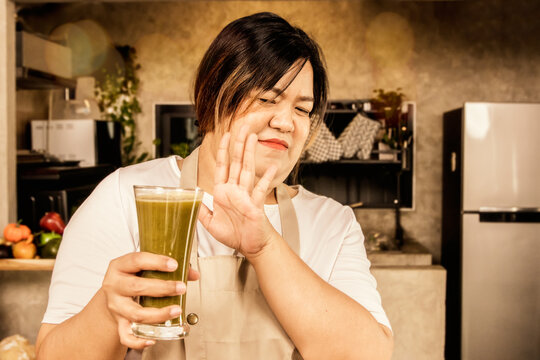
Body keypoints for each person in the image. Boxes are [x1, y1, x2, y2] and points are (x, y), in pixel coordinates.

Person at [35, 12, 393, 360]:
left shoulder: (332, 223)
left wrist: (265, 247)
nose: (285, 121)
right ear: (210, 95)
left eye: (302, 109)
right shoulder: (125, 198)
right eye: (267, 99)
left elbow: (370, 354)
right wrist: (106, 310)